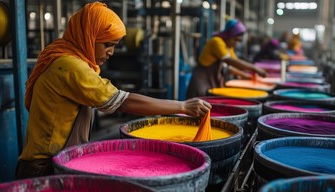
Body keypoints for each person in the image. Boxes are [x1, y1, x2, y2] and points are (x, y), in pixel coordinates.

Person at [16, 2, 211, 179]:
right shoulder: (69, 66)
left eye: (115, 46)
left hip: (56, 160)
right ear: (88, 36)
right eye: (107, 44)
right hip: (43, 168)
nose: (111, 52)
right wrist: (183, 106)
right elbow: (123, 101)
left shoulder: (65, 56)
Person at [186, 19, 267, 98]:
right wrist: (254, 68)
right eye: (235, 40)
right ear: (228, 35)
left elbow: (232, 66)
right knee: (199, 103)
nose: (236, 43)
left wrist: (245, 75)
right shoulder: (217, 41)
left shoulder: (228, 47)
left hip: (212, 80)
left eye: (238, 41)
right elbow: (230, 61)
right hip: (201, 80)